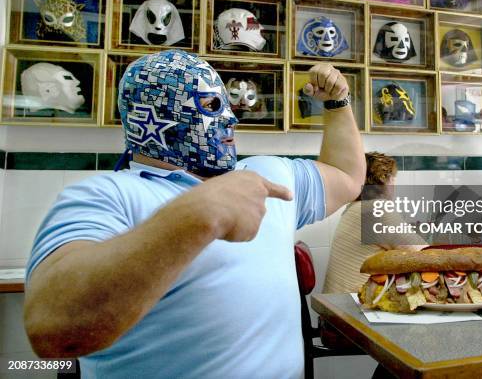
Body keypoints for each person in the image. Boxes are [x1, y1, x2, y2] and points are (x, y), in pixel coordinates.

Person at [23, 50, 366, 379]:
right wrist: (200, 212)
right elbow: (53, 330)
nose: (231, 118)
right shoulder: (105, 195)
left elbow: (346, 177)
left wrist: (336, 104)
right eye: (212, 105)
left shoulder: (265, 175)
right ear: (156, 114)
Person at [323, 152, 426, 294]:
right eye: (393, 178)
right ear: (385, 180)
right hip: (352, 307)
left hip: (334, 305)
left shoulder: (355, 207)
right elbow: (424, 256)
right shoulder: (378, 210)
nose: (394, 184)